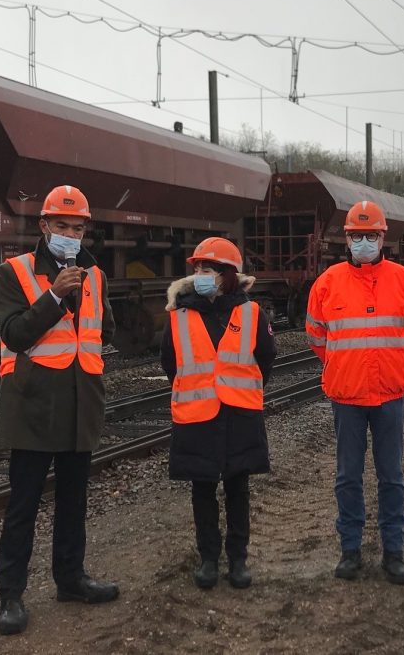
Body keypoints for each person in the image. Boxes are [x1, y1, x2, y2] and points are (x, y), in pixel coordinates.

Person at [0, 185, 119, 636]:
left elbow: (103, 328)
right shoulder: (14, 273)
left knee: (73, 501)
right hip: (32, 404)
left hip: (80, 400)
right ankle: (11, 596)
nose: (70, 234)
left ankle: (71, 579)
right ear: (44, 226)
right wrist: (54, 298)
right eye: (61, 226)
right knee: (23, 504)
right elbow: (14, 334)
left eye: (78, 227)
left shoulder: (96, 275)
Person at [305, 200, 404, 585]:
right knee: (348, 477)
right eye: (356, 236)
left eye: (370, 235)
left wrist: (392, 364)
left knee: (391, 476)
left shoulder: (403, 279)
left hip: (389, 394)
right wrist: (346, 365)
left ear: (382, 237)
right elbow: (316, 336)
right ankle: (350, 552)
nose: (363, 242)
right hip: (348, 396)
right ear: (347, 239)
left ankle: (394, 552)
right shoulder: (327, 283)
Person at [161, 237, 275, 590]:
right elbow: (170, 363)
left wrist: (238, 387)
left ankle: (237, 559)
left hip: (239, 414)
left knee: (238, 487)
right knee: (203, 489)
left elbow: (266, 359)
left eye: (207, 269)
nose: (200, 275)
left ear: (227, 275)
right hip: (199, 415)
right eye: (197, 269)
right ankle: (209, 559)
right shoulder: (179, 315)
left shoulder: (252, 313)